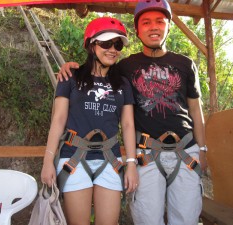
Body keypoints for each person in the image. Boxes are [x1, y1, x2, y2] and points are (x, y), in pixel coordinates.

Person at [58, 0, 208, 224]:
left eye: (160, 21)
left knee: (186, 219)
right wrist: (72, 67)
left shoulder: (185, 64)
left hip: (186, 150)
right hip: (146, 154)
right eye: (146, 22)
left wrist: (203, 148)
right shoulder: (125, 67)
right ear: (137, 30)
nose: (154, 27)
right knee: (146, 219)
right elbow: (98, 67)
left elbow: (195, 109)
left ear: (169, 25)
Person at [41, 17, 139, 225]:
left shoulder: (122, 83)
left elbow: (128, 125)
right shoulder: (70, 78)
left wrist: (131, 164)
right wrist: (48, 161)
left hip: (109, 159)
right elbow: (58, 121)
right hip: (73, 158)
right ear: (91, 45)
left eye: (118, 44)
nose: (113, 49)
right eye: (106, 43)